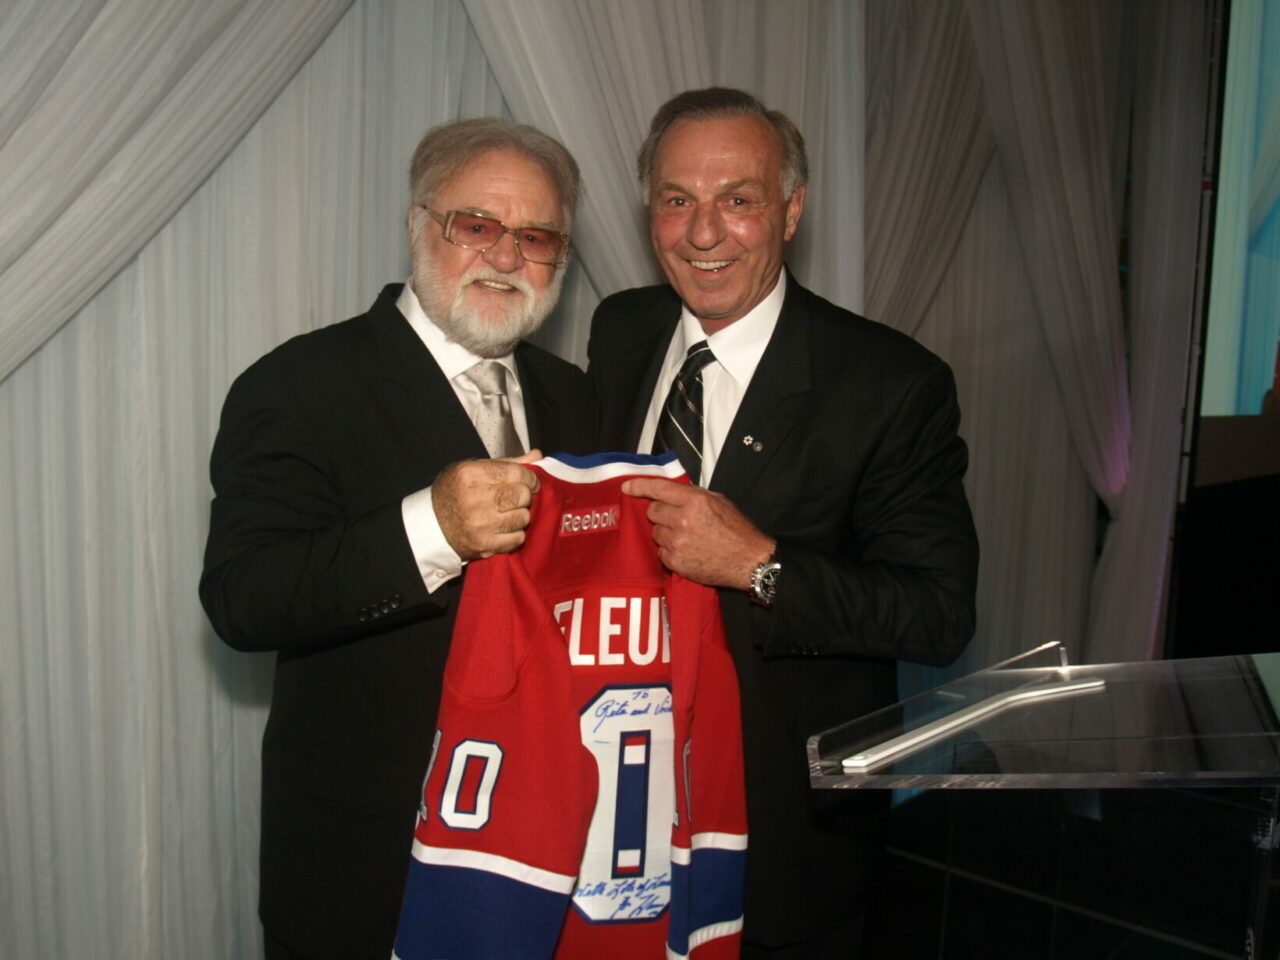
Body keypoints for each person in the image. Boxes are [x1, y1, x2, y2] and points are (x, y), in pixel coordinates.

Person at [587, 87, 979, 958]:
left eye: (739, 199)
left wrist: (762, 564)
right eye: (676, 200)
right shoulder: (620, 330)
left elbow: (939, 614)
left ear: (792, 209)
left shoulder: (890, 383)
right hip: (614, 804)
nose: (702, 232)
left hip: (784, 836)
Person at [200, 118, 596, 960]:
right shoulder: (301, 384)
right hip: (370, 874)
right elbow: (244, 597)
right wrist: (434, 529)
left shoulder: (581, 401)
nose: (504, 257)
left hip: (553, 861)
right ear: (420, 226)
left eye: (536, 237)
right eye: (477, 225)